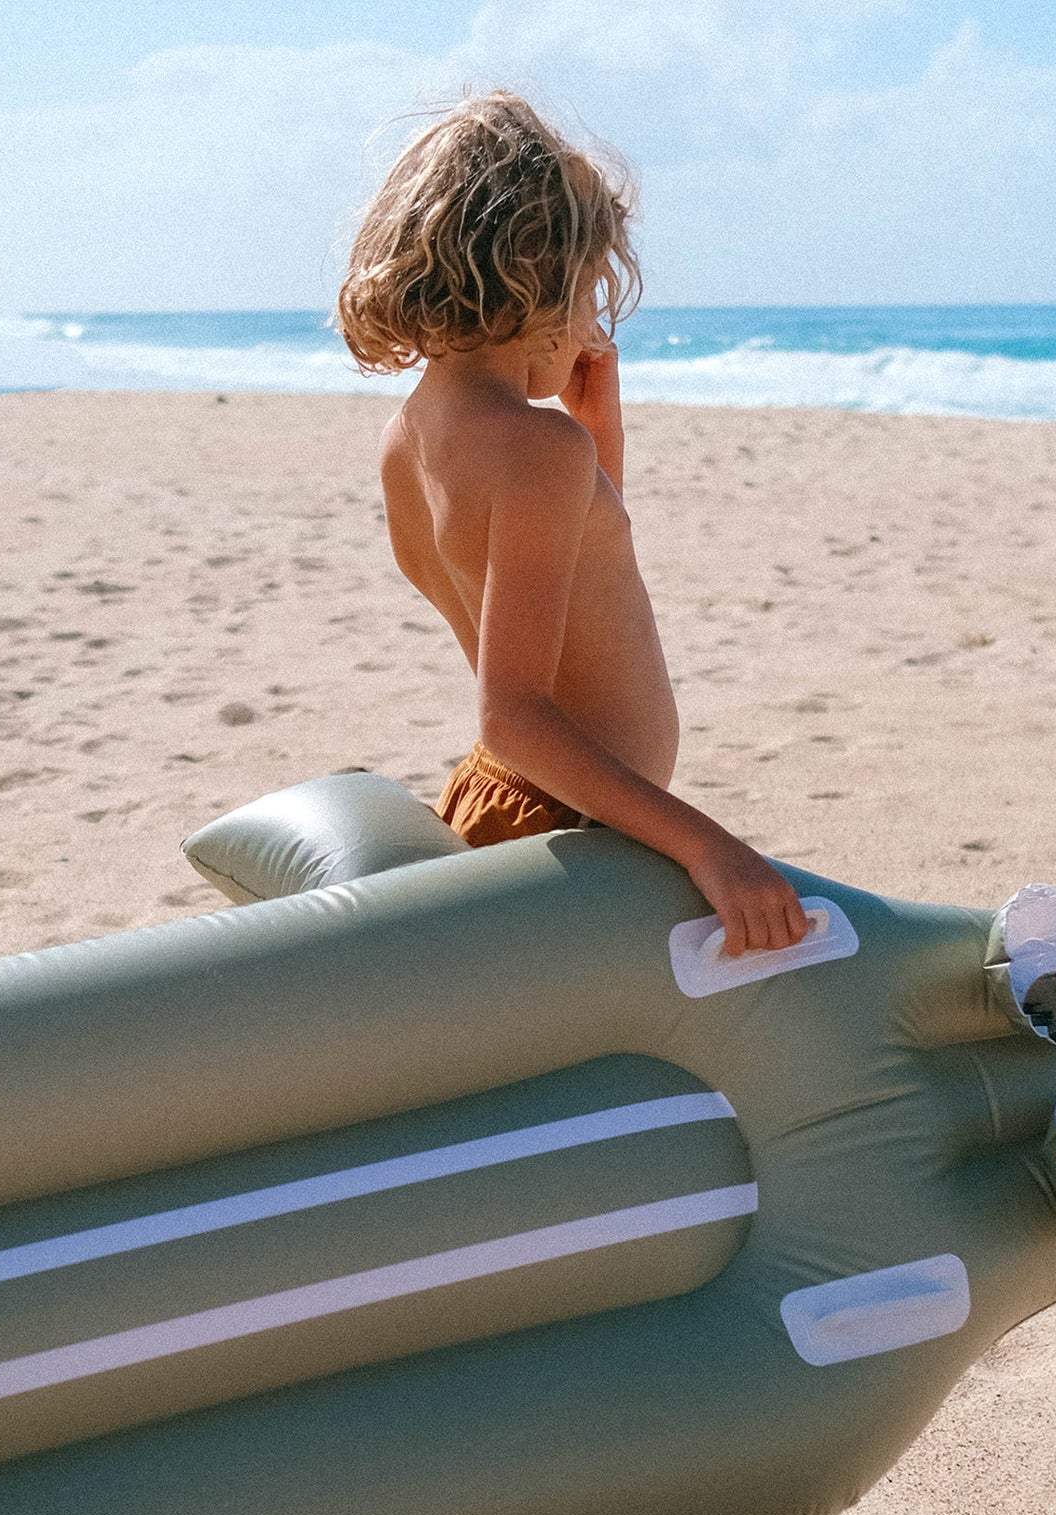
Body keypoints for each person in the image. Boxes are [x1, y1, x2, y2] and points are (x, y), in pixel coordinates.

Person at [337, 91, 809, 955]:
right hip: (565, 824)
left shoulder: (410, 434)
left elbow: (578, 570)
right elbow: (513, 712)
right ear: (536, 275)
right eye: (590, 288)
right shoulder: (537, 448)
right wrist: (712, 847)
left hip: (508, 798)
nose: (597, 321)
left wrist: (599, 429)